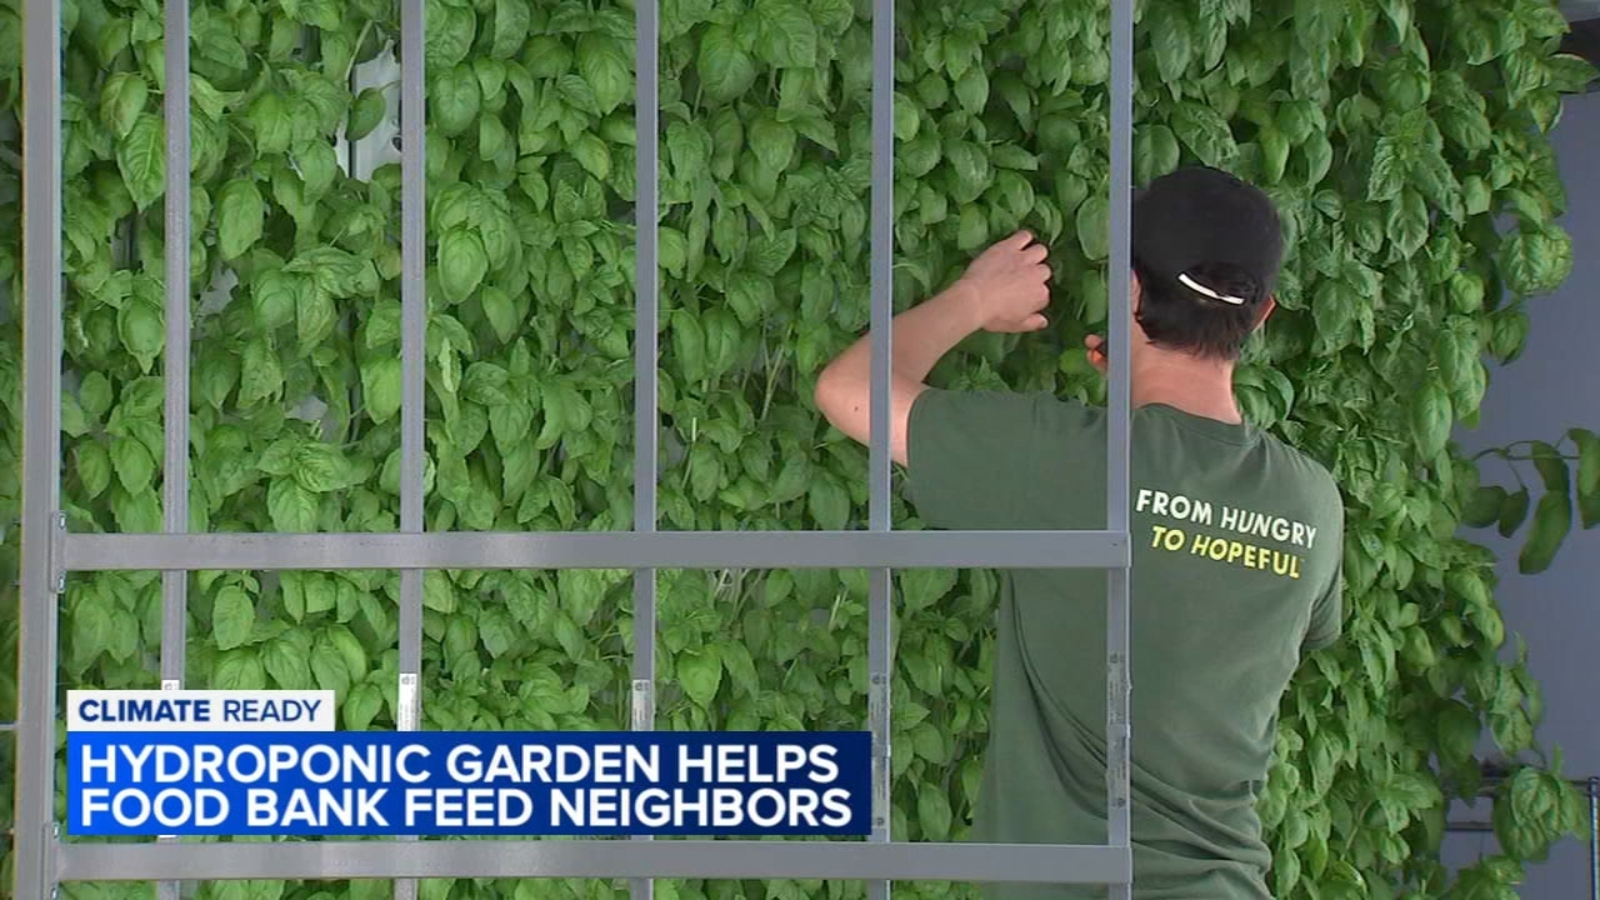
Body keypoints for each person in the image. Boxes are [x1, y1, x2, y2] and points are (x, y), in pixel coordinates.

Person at [813, 165, 1346, 899]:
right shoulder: (1312, 502)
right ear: (1261, 316)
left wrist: (976, 298)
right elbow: (1275, 622)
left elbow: (848, 392)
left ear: (1129, 290)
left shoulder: (1066, 462)